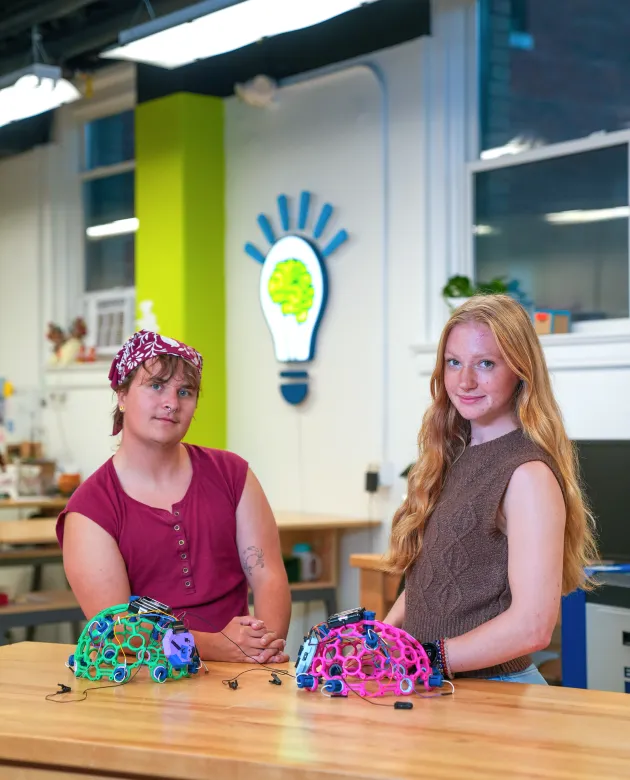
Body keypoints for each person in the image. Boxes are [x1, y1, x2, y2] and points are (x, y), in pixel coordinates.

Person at [383, 295, 598, 684]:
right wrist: (382, 640)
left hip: (495, 692)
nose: (464, 381)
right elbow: (430, 583)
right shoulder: (450, 458)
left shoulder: (527, 474)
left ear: (520, 369)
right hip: (439, 686)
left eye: (485, 363)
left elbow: (533, 625)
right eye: (454, 362)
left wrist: (424, 658)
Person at [57, 330, 291, 664]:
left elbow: (269, 576)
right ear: (121, 394)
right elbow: (117, 630)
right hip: (148, 683)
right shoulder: (90, 510)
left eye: (185, 391)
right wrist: (221, 647)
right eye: (156, 386)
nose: (171, 403)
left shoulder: (233, 474)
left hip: (243, 676)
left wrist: (261, 648)